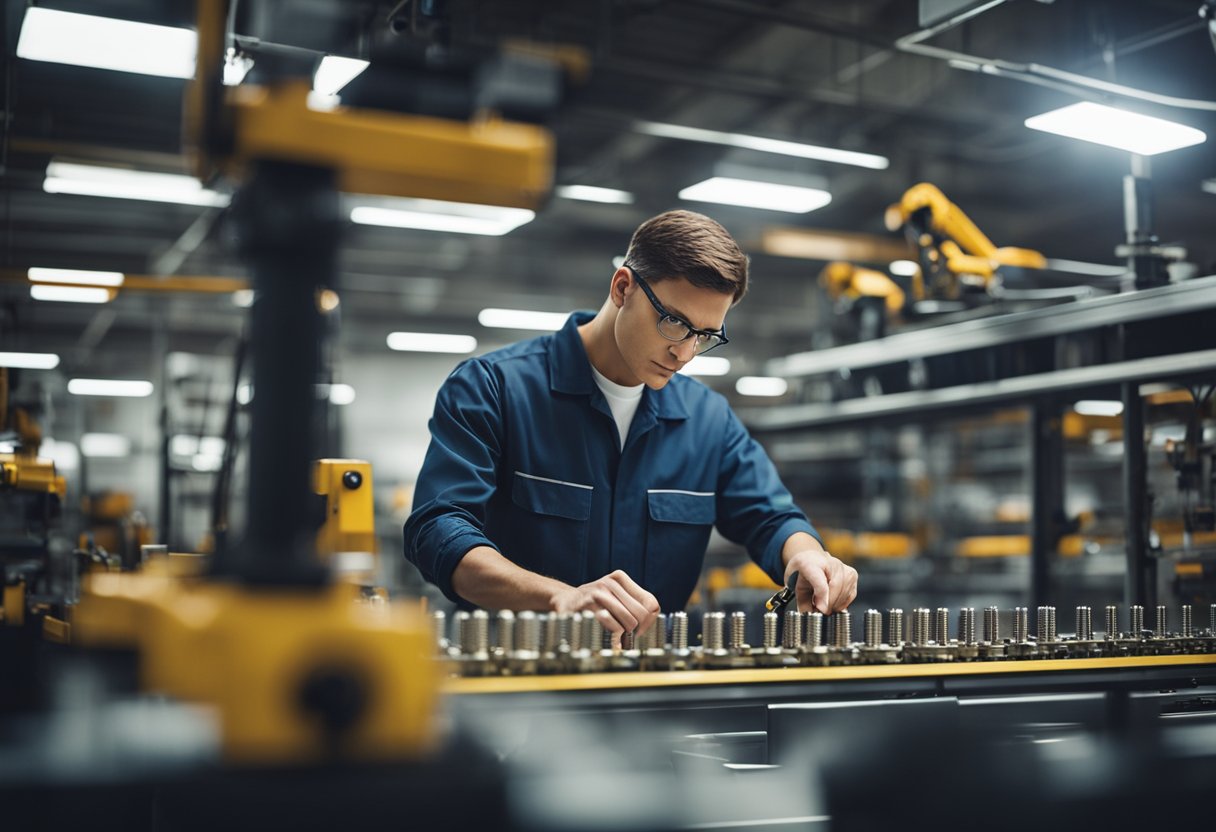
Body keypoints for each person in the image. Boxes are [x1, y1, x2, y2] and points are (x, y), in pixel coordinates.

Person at [404, 209, 857, 641]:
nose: (685, 353)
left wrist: (808, 557)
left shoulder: (707, 420)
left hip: (648, 694)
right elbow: (438, 531)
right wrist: (559, 598)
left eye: (705, 335)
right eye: (675, 323)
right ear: (623, 288)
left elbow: (771, 517)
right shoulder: (494, 390)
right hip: (516, 691)